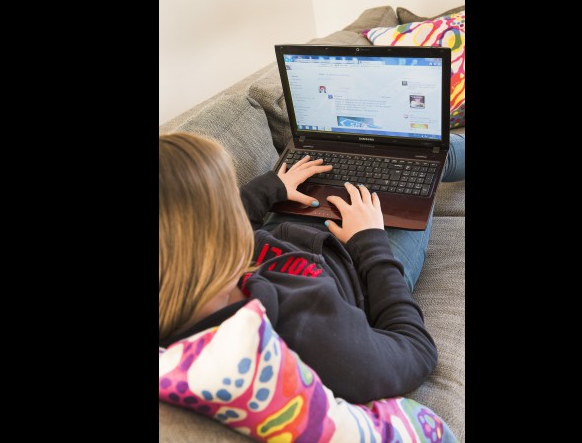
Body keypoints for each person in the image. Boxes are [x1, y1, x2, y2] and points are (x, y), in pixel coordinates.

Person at [159, 132, 465, 404]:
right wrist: (369, 240)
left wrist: (271, 187)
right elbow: (416, 351)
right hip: (362, 265)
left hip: (290, 240)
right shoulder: (305, 331)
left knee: (393, 154)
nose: (238, 206)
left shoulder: (191, 282)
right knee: (424, 157)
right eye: (229, 200)